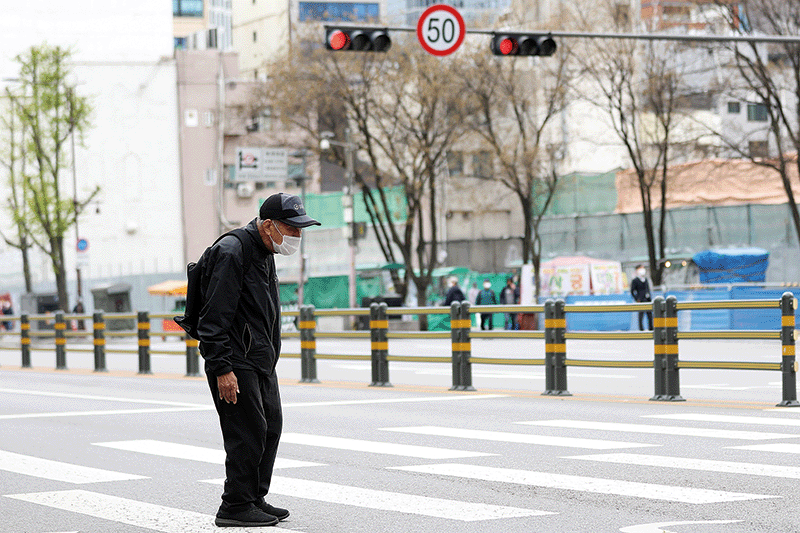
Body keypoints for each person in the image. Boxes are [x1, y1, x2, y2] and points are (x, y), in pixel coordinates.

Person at [198, 192, 320, 528]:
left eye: (300, 230)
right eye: (291, 229)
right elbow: (213, 319)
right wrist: (222, 368)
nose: (296, 236)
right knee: (247, 432)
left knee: (270, 427)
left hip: (260, 359)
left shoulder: (264, 251)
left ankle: (253, 497)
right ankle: (234, 505)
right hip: (235, 361)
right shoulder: (232, 251)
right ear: (268, 225)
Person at [630, 264, 653, 331]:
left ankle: (651, 328)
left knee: (650, 315)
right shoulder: (635, 280)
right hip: (641, 299)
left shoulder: (645, 279)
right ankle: (641, 329)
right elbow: (632, 291)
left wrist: (649, 296)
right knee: (641, 315)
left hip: (647, 299)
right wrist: (637, 299)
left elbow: (647, 288)